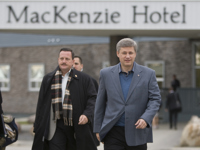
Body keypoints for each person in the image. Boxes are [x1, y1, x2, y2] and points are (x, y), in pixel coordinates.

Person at [94, 38, 161, 150]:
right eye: (124, 53)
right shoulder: (105, 74)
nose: (127, 56)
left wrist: (146, 118)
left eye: (130, 53)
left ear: (135, 54)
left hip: (137, 131)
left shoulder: (148, 74)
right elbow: (100, 102)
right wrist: (97, 128)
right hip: (112, 131)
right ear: (117, 54)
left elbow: (155, 99)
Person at [32, 48, 97, 150]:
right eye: (61, 58)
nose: (64, 61)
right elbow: (41, 103)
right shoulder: (48, 78)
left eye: (67, 59)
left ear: (72, 61)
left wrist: (87, 114)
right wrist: (37, 125)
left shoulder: (84, 79)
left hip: (76, 124)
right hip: (55, 126)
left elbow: (93, 98)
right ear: (58, 60)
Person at [73, 55, 100, 147]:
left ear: (82, 66)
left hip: (88, 122)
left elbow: (95, 100)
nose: (74, 66)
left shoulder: (89, 80)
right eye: (72, 63)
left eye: (76, 63)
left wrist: (87, 114)